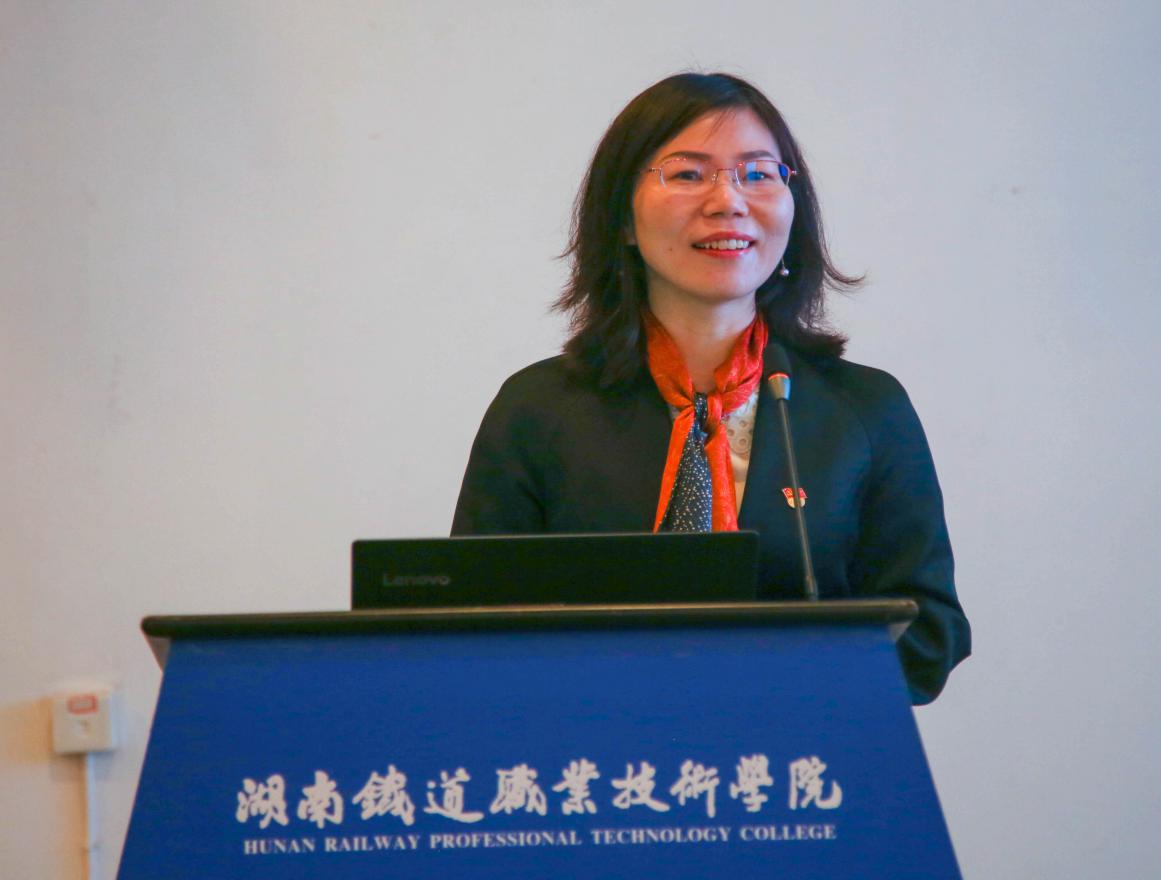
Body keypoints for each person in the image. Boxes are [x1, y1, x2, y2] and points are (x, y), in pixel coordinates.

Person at [451, 72, 970, 704]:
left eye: (757, 174)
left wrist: (753, 671)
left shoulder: (865, 408)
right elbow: (468, 632)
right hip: (595, 749)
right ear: (622, 217)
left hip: (795, 752)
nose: (728, 201)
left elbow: (930, 641)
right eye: (688, 174)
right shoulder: (539, 408)